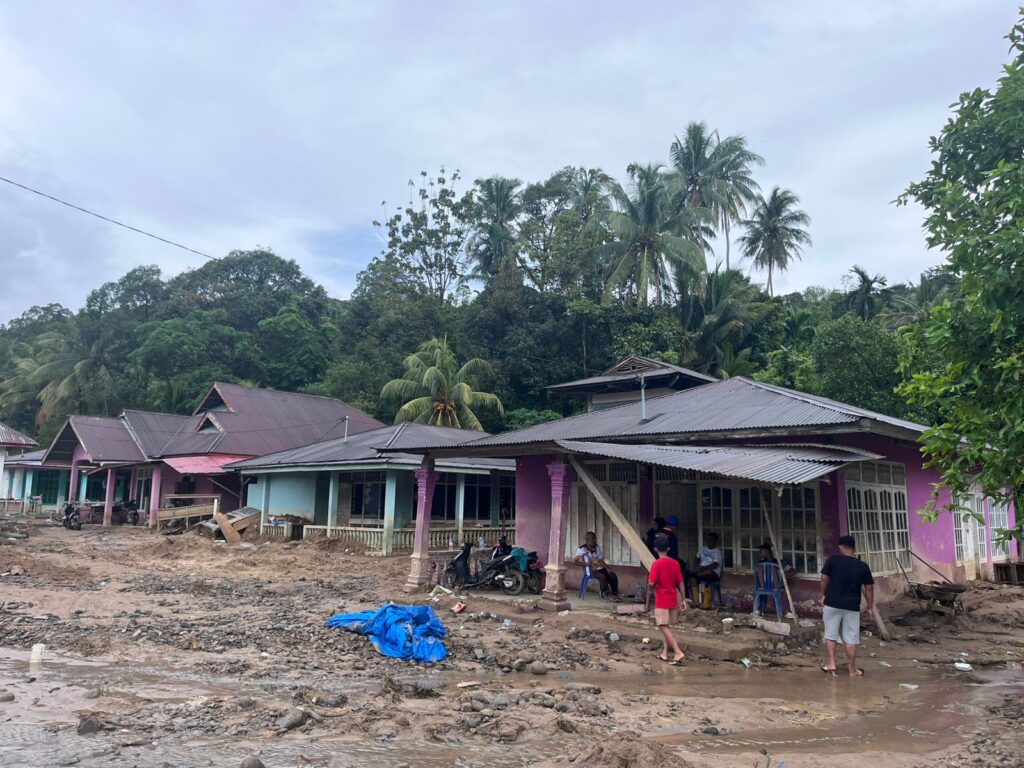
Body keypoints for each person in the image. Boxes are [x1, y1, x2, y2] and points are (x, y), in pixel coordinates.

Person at [820, 535, 874, 678]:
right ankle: (852, 670)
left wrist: (823, 594)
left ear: (840, 547)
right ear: (854, 549)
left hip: (832, 603)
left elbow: (824, 578)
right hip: (851, 606)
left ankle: (832, 664)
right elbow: (869, 588)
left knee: (831, 634)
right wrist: (870, 607)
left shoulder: (833, 560)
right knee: (851, 638)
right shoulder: (862, 566)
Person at [646, 534, 687, 664]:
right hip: (673, 598)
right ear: (668, 548)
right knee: (666, 626)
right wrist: (683, 599)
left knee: (663, 625)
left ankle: (677, 651)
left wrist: (650, 592)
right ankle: (664, 653)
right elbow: (681, 582)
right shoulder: (675, 563)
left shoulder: (656, 564)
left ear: (655, 549)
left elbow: (651, 584)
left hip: (662, 599)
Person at [574, 532, 621, 601]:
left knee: (612, 575)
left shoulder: (596, 547)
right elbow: (575, 561)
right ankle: (608, 595)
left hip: (599, 569)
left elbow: (601, 560)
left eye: (595, 539)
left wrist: (608, 569)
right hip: (590, 571)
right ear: (587, 540)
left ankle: (615, 594)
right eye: (592, 539)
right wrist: (586, 564)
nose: (594, 540)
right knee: (602, 576)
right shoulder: (582, 549)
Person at [694, 532, 723, 605]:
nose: (709, 541)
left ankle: (707, 601)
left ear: (715, 541)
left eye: (711, 540)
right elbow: (696, 558)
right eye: (708, 539)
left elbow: (715, 565)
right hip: (702, 572)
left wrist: (702, 568)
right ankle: (699, 600)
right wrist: (696, 567)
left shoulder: (717, 552)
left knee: (707, 572)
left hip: (713, 574)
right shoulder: (702, 549)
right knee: (695, 576)